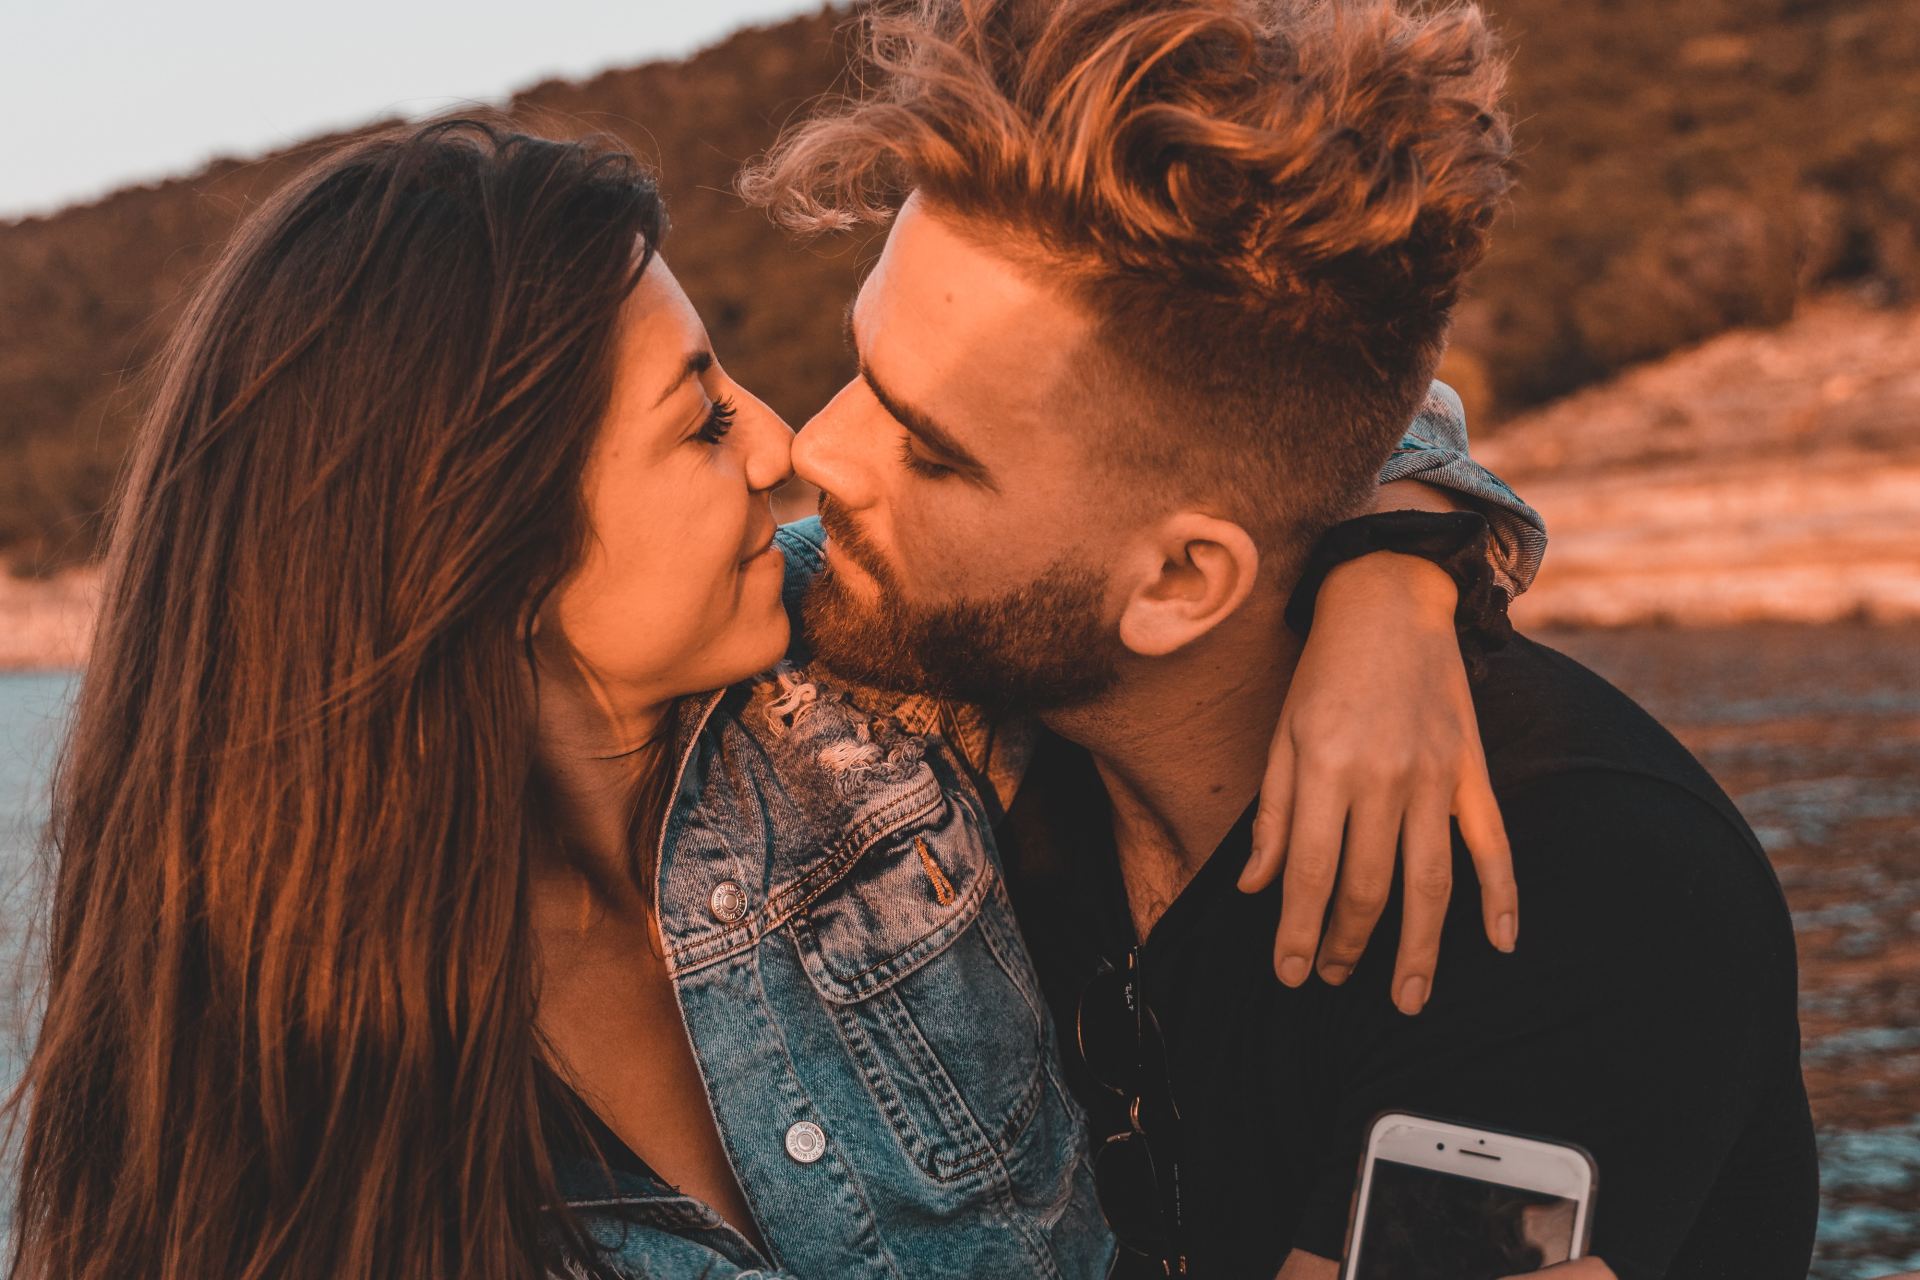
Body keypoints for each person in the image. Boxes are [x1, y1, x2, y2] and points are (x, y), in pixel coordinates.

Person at [7, 115, 1549, 1280]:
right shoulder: (255, 1095)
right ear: (483, 549)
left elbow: (1247, 404)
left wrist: (1391, 588)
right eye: (696, 423)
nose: (782, 444)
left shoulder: (847, 668)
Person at [742, 0, 1820, 1277]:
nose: (816, 449)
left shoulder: (1569, 885)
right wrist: (1406, 543)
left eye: (928, 447)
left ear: (1184, 582)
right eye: (861, 365)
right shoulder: (969, 736)